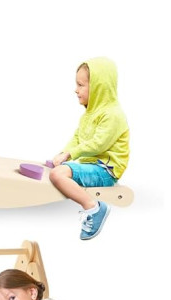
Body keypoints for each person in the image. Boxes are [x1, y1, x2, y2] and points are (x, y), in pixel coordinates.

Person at [48, 58, 128, 240]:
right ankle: (91, 205)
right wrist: (63, 153)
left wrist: (70, 154)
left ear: (99, 87)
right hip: (93, 166)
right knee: (56, 169)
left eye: (81, 85)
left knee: (57, 175)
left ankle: (94, 208)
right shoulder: (89, 114)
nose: (76, 90)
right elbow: (77, 138)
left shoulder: (113, 115)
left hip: (106, 170)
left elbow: (99, 143)